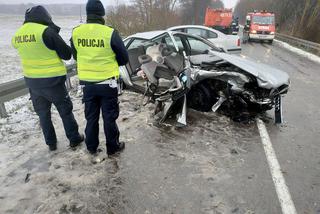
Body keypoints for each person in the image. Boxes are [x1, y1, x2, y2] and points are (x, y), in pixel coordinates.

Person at [12, 6, 84, 151]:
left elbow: (20, 48)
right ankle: (74, 138)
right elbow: (66, 54)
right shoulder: (46, 32)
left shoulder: (17, 35)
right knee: (65, 111)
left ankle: (51, 143)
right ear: (44, 16)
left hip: (33, 83)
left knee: (43, 114)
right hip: (53, 82)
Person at [71, 0, 129, 156]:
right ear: (102, 14)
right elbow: (124, 58)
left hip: (87, 84)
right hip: (107, 83)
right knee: (109, 117)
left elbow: (76, 55)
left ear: (88, 13)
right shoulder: (110, 33)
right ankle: (113, 147)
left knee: (91, 117)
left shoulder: (76, 32)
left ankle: (91, 147)